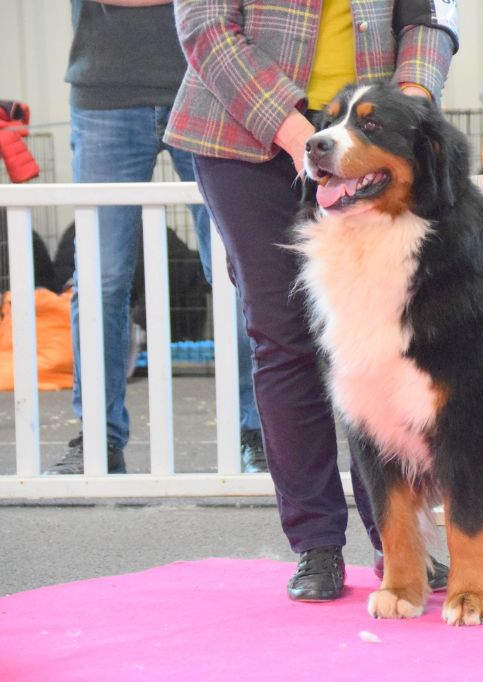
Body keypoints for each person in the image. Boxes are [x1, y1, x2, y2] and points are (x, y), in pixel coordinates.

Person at [165, 0, 458, 601]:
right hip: (244, 140)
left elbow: (430, 15)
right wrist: (298, 131)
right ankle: (316, 546)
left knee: (382, 351)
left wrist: (411, 95)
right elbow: (206, 25)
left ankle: (398, 547)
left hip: (372, 137)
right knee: (283, 340)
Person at [46, 0, 266, 476]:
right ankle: (98, 442)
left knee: (239, 273)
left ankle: (258, 433)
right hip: (104, 91)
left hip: (210, 83)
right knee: (101, 278)